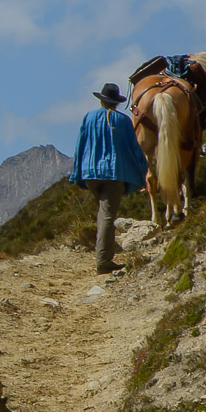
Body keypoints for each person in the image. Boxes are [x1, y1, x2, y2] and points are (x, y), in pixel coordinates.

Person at [70, 82, 149, 274]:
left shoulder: (88, 117)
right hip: (114, 174)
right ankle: (103, 261)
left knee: (102, 212)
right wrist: (144, 170)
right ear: (116, 103)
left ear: (102, 100)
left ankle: (103, 251)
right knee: (107, 216)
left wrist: (76, 174)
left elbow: (80, 146)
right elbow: (133, 148)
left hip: (91, 173)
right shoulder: (122, 121)